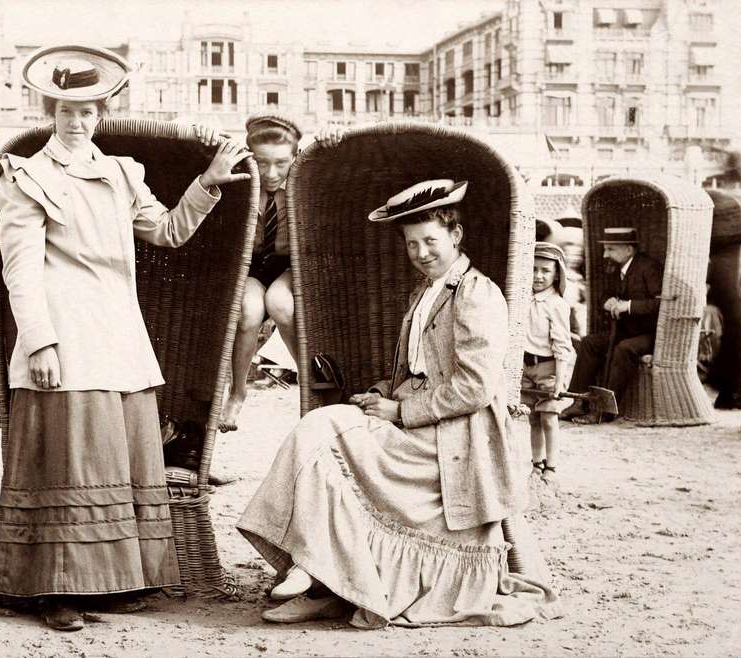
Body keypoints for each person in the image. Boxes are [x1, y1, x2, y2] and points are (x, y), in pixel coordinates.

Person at [0, 45, 251, 632]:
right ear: (51, 111)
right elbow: (19, 271)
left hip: (118, 334)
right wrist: (40, 341)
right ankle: (54, 591)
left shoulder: (123, 172)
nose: (78, 121)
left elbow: (170, 233)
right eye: (67, 110)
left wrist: (208, 182)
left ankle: (112, 581)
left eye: (89, 110)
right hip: (64, 334)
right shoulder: (25, 178)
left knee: (113, 464)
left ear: (101, 113)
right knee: (68, 463)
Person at [237, 179, 558, 628]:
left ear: (456, 236)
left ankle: (315, 571)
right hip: (424, 424)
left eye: (431, 241)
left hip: (456, 440)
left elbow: (476, 388)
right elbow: (419, 371)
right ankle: (323, 575)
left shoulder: (476, 293)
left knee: (321, 433)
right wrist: (383, 393)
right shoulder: (426, 292)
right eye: (412, 244)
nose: (422, 252)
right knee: (319, 427)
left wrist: (401, 412)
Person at [219, 113, 301, 433]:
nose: (271, 173)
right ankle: (238, 392)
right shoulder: (243, 181)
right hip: (252, 263)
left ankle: (308, 383)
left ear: (295, 157)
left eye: (281, 163)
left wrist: (333, 139)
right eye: (262, 162)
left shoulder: (303, 179)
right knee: (249, 310)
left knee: (280, 302)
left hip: (291, 265)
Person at [561, 227, 663, 424]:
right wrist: (606, 301)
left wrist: (629, 306)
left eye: (611, 249)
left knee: (624, 349)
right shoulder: (615, 268)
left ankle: (605, 411)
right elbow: (604, 294)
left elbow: (662, 303)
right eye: (606, 249)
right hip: (625, 331)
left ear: (628, 250)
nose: (606, 254)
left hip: (650, 334)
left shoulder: (649, 268)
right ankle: (579, 401)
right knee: (589, 343)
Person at [522, 242, 575, 484]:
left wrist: (560, 379)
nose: (538, 276)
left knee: (549, 417)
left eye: (545, 271)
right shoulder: (522, 300)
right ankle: (537, 463)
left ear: (556, 275)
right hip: (525, 367)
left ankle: (551, 467)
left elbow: (563, 345)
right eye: (533, 269)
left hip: (549, 367)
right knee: (532, 417)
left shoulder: (557, 305)